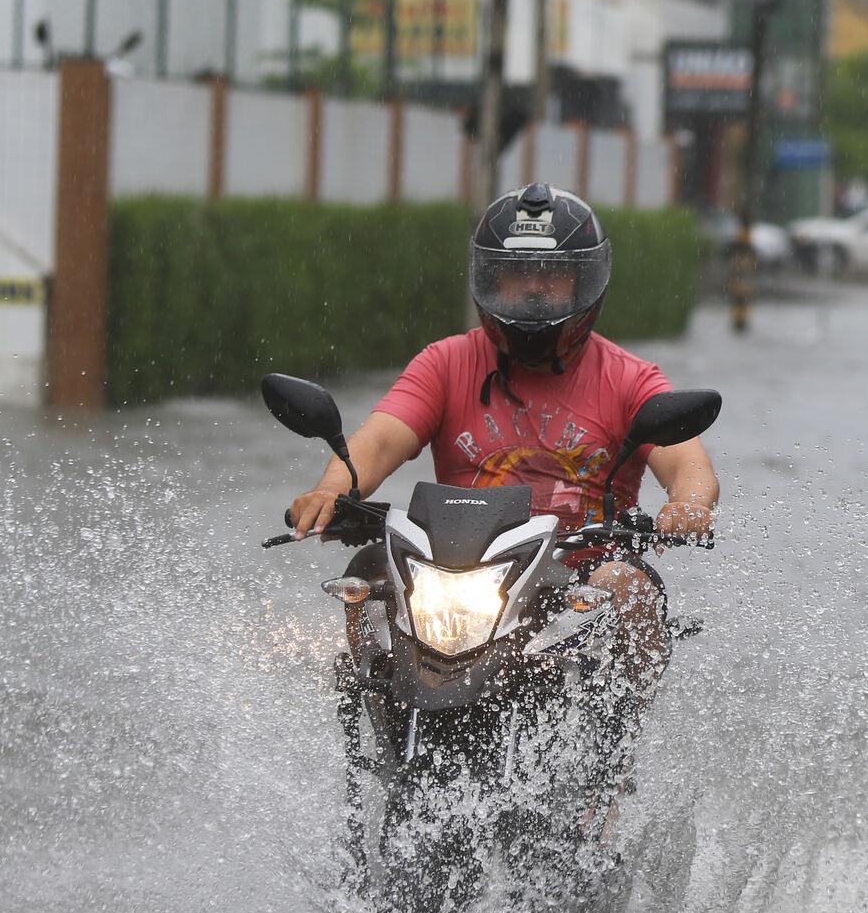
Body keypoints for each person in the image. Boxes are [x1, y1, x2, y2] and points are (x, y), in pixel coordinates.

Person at [288, 181, 719, 689]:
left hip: (576, 583)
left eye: (552, 276)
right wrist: (331, 490)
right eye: (516, 275)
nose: (534, 289)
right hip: (458, 577)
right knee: (368, 571)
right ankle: (370, 722)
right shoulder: (445, 363)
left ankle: (610, 746)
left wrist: (688, 507)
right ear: (488, 278)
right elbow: (379, 440)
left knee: (623, 584)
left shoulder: (629, 378)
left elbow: (691, 468)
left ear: (585, 281)